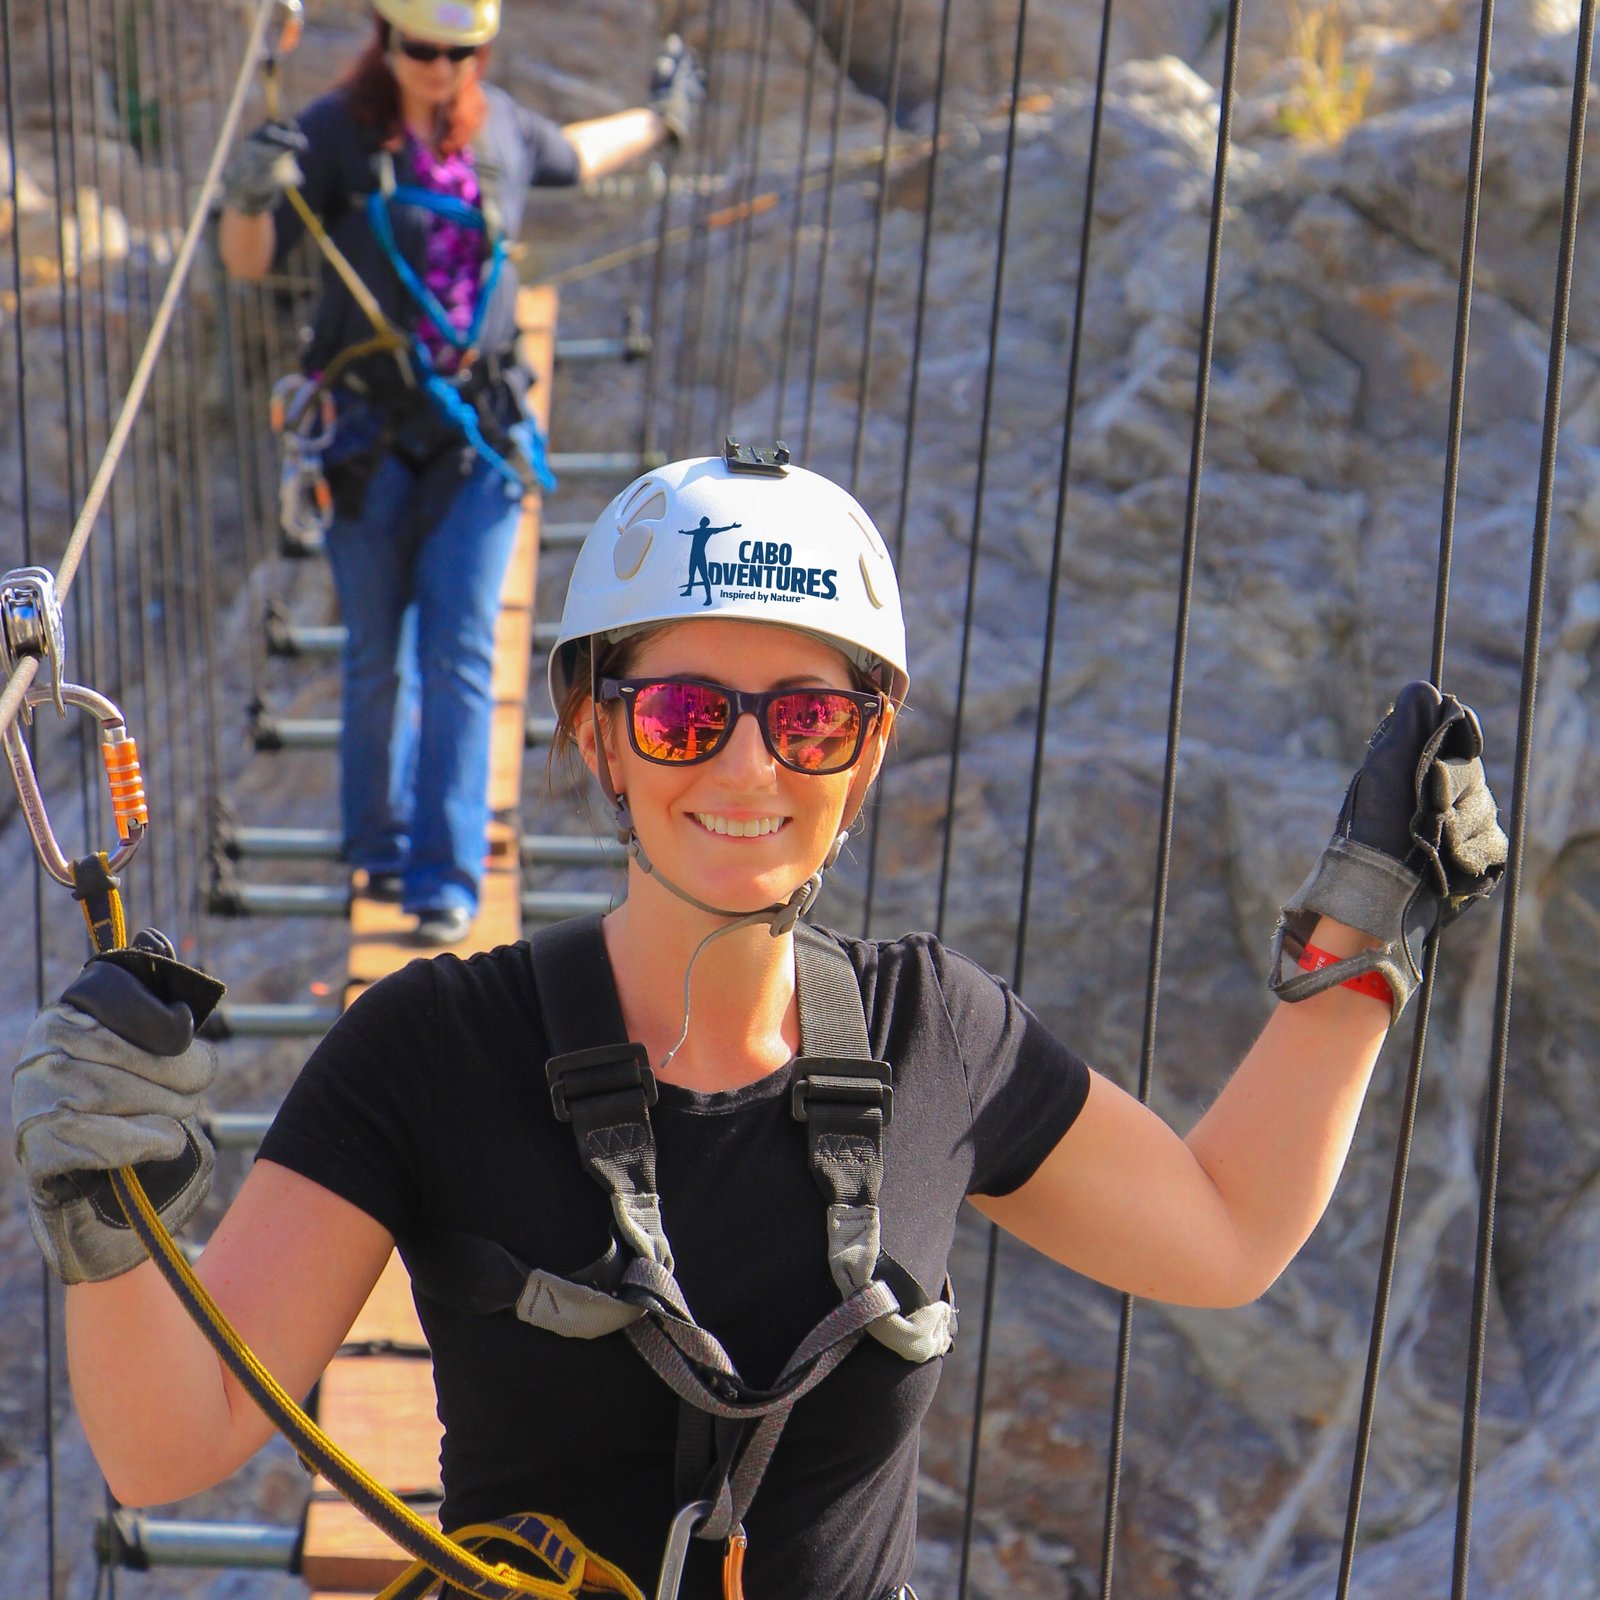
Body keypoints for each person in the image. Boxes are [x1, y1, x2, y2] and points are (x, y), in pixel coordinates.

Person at [13, 446, 1509, 1600]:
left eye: (808, 718)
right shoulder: (430, 1051)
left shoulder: (941, 1036)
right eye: (681, 716)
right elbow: (173, 1441)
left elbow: (1224, 1229)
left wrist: (1363, 938)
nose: (748, 768)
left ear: (865, 752)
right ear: (594, 728)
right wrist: (104, 1217)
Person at [217, 0, 701, 946]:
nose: (440, 69)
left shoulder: (506, 130)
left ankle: (443, 879)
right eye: (422, 49)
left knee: (463, 653)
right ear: (384, 41)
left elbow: (577, 154)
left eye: (462, 52)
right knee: (375, 658)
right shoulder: (333, 134)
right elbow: (252, 258)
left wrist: (661, 118)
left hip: (477, 433)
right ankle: (378, 848)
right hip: (364, 436)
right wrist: (245, 196)